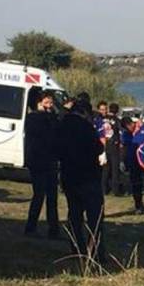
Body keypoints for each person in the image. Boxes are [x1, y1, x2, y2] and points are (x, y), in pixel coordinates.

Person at [55, 100, 107, 263]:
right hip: (88, 175)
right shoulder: (85, 127)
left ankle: (77, 248)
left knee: (75, 214)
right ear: (84, 113)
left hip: (70, 175)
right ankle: (97, 251)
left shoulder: (61, 126)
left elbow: (56, 150)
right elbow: (98, 148)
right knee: (94, 216)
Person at [24, 90, 60, 239]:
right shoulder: (33, 118)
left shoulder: (51, 117)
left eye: (51, 102)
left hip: (50, 160)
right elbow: (39, 135)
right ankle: (31, 227)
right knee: (39, 194)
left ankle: (53, 229)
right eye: (47, 102)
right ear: (39, 103)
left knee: (52, 196)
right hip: (38, 160)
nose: (50, 105)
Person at [121, 116, 144, 214]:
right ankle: (138, 206)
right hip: (133, 162)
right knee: (136, 184)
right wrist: (124, 161)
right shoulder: (126, 134)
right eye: (126, 128)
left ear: (132, 123)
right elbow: (125, 148)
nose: (128, 129)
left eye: (129, 126)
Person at [100, 102, 123, 196]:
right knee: (115, 169)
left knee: (105, 169)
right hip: (114, 145)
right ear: (117, 111)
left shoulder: (103, 119)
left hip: (104, 144)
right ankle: (116, 190)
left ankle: (104, 189)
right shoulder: (117, 120)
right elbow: (120, 132)